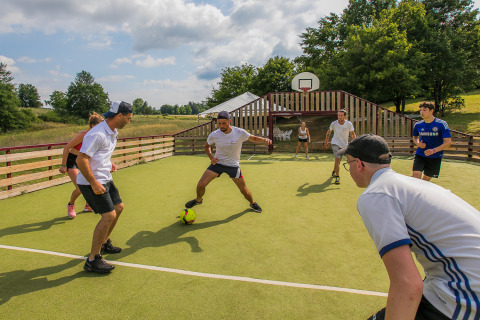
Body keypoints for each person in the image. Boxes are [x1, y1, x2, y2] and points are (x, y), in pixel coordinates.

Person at [339, 134, 480, 320]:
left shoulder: (377, 194)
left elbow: (407, 283)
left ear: (359, 164)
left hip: (465, 293)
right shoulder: (414, 185)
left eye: (347, 164)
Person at [76, 101, 133, 273]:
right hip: (91, 181)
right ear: (119, 116)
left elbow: (99, 155)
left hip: (105, 177)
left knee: (119, 207)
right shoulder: (98, 134)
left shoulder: (112, 131)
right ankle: (93, 260)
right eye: (128, 118)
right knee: (108, 216)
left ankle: (104, 241)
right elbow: (81, 159)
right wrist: (93, 182)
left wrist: (108, 163)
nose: (129, 122)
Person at [184, 111, 272, 213]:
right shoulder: (214, 135)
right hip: (218, 164)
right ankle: (198, 200)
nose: (221, 126)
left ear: (229, 121)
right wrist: (211, 158)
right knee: (200, 185)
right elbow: (207, 146)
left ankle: (252, 203)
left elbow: (254, 138)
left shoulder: (239, 132)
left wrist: (264, 140)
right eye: (219, 123)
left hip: (233, 166)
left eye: (224, 123)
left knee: (244, 190)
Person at [59, 112, 104, 218]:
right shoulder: (83, 135)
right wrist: (63, 165)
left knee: (90, 184)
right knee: (79, 187)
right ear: (93, 126)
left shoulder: (96, 136)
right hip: (73, 161)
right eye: (99, 126)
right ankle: (71, 204)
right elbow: (67, 147)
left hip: (84, 161)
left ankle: (88, 205)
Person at [412, 102, 452, 181]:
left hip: (435, 156)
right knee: (416, 176)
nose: (422, 112)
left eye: (424, 110)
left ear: (431, 111)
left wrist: (433, 150)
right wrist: (418, 143)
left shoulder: (441, 124)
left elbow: (448, 142)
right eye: (421, 110)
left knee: (425, 180)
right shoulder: (418, 125)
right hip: (420, 154)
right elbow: (415, 137)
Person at [323, 109, 356, 185]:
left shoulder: (349, 124)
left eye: (341, 115)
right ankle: (337, 177)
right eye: (338, 115)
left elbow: (353, 134)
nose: (339, 117)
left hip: (344, 145)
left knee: (338, 161)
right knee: (337, 159)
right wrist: (326, 142)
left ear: (345, 116)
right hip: (335, 143)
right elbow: (328, 133)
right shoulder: (334, 123)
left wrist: (355, 143)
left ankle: (334, 171)